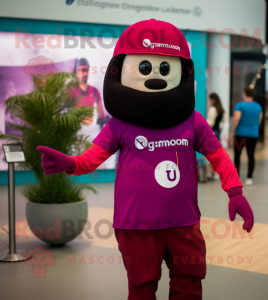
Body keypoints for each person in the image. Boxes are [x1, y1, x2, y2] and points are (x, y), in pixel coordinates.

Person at [37, 19, 254, 300]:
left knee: (189, 282)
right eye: (145, 67)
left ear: (181, 71)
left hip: (183, 222)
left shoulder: (193, 121)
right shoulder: (119, 124)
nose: (155, 76)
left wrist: (235, 191)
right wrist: (71, 164)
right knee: (142, 287)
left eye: (165, 68)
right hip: (135, 224)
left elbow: (218, 156)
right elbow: (91, 159)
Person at [230, 86, 263, 186]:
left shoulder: (239, 105)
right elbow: (259, 120)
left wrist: (232, 131)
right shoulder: (258, 106)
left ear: (244, 93)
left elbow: (236, 119)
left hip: (240, 134)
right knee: (251, 155)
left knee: (237, 155)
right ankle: (249, 178)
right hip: (253, 134)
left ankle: (237, 176)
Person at [73, 58, 108, 128]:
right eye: (83, 70)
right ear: (77, 72)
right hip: (75, 129)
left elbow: (101, 115)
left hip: (91, 128)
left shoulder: (95, 90)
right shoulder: (72, 91)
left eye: (87, 70)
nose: (85, 73)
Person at [206, 93, 225, 179]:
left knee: (211, 154)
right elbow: (223, 122)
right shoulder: (221, 109)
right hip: (218, 132)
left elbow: (210, 123)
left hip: (212, 133)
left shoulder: (213, 109)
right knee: (216, 154)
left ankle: (212, 174)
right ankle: (215, 173)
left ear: (212, 99)